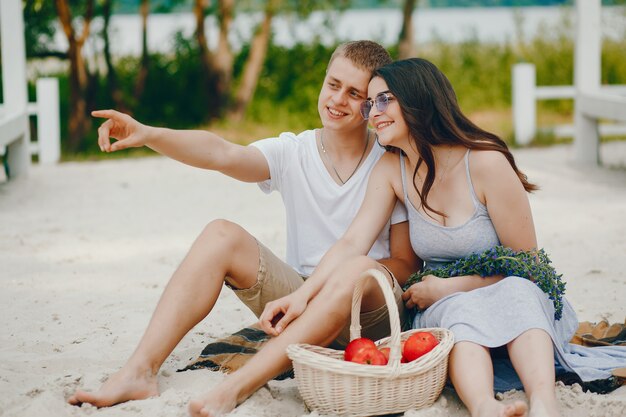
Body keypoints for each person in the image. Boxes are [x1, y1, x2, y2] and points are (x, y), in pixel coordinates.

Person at [192, 57, 626, 417]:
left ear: (419, 101)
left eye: (385, 100)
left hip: (504, 289)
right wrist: (303, 297)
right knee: (457, 322)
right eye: (371, 102)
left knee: (515, 296)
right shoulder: (392, 169)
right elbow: (350, 244)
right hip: (445, 304)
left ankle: (544, 404)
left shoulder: (487, 164)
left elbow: (530, 267)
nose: (372, 111)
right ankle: (484, 408)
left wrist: (451, 285)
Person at [67, 41, 420, 411]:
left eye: (354, 93)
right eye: (333, 85)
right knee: (221, 234)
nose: (338, 100)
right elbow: (223, 153)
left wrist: (338, 283)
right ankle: (139, 372)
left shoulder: (389, 159)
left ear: (371, 103)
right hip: (297, 301)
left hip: (370, 311)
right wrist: (151, 134)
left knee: (356, 268)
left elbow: (406, 263)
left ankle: (237, 386)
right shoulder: (294, 151)